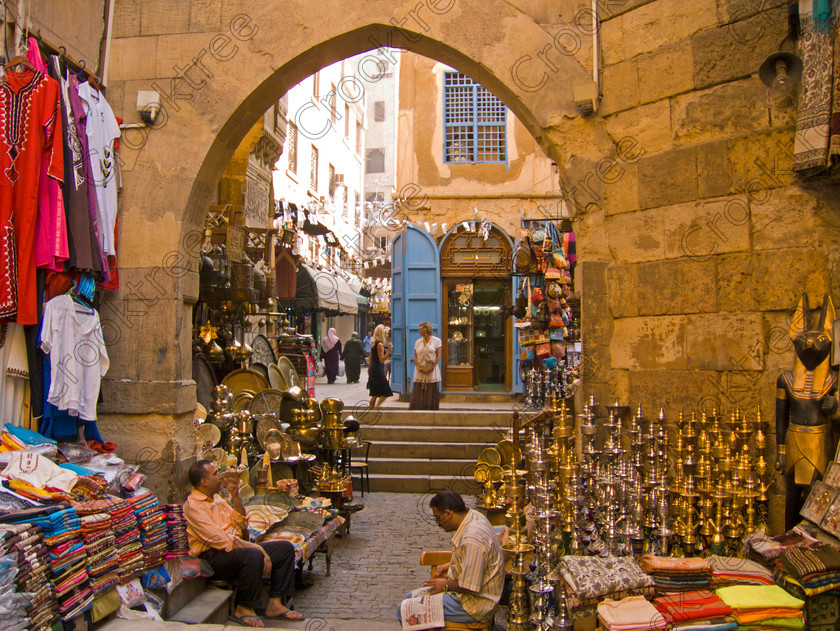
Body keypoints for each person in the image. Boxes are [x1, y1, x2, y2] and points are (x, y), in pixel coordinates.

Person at [183, 460, 303, 627]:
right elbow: (219, 540)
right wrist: (257, 548)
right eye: (215, 473)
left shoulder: (216, 499)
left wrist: (235, 496)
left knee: (285, 549)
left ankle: (275, 604)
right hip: (213, 556)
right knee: (253, 555)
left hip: (234, 547)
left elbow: (241, 524)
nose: (220, 477)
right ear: (204, 482)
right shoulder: (193, 506)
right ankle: (244, 607)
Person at [397, 490, 504, 626]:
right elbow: (471, 559)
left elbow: (470, 586)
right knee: (409, 598)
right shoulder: (473, 516)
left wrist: (445, 585)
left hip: (475, 605)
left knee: (403, 610)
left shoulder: (473, 538)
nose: (438, 523)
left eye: (438, 518)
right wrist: (449, 565)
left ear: (448, 513)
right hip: (470, 596)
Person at [410, 321, 442, 410]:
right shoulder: (418, 342)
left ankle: (430, 408)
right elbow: (415, 356)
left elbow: (438, 355)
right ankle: (418, 409)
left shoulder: (436, 341)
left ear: (426, 329)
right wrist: (419, 367)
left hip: (431, 369)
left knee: (430, 389)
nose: (419, 331)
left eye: (420, 329)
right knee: (418, 388)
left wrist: (432, 367)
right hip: (420, 369)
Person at [367, 324, 393, 410]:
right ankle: (376, 409)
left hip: (373, 369)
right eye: (386, 333)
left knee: (375, 394)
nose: (387, 335)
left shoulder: (373, 344)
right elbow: (381, 359)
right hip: (378, 370)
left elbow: (370, 358)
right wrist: (389, 352)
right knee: (386, 392)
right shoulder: (380, 345)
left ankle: (371, 411)